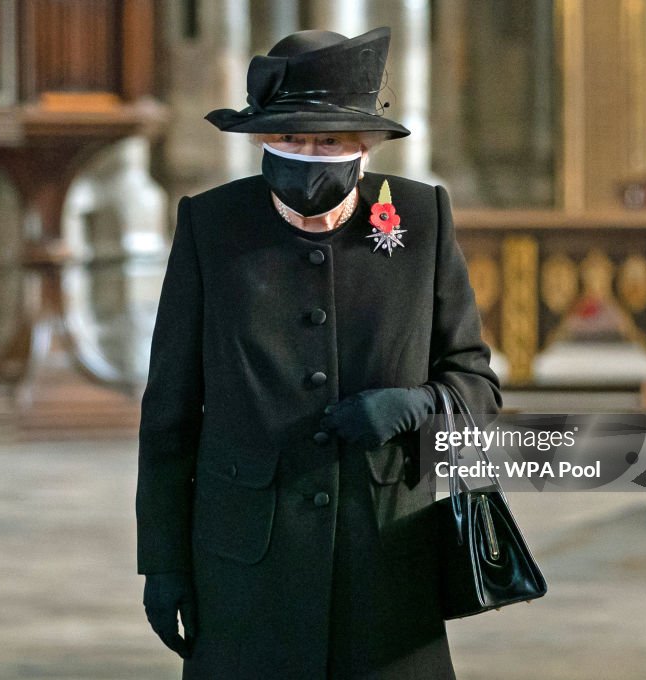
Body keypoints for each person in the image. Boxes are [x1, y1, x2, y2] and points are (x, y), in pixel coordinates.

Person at [136, 26, 502, 679]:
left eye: (327, 141)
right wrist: (163, 563)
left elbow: (477, 384)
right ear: (259, 141)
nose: (306, 154)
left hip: (388, 562)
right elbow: (168, 415)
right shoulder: (210, 226)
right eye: (288, 139)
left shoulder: (422, 220)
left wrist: (415, 405)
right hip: (246, 569)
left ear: (363, 146)